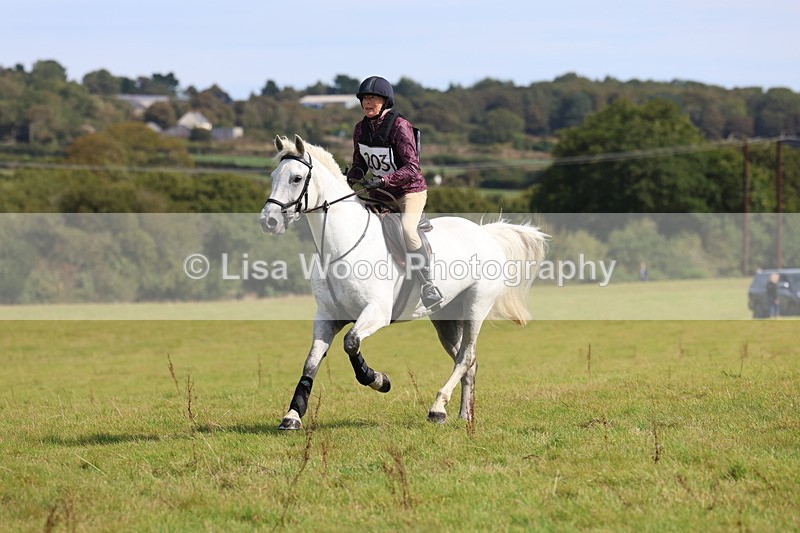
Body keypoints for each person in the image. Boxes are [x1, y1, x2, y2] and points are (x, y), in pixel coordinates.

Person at [346, 76, 443, 310]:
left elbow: (412, 167)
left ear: (385, 101)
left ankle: (428, 284)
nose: (368, 102)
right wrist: (350, 177)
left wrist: (383, 180)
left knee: (408, 230)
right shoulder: (360, 129)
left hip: (409, 191)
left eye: (373, 98)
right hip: (381, 194)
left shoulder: (400, 126)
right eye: (365, 98)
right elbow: (360, 164)